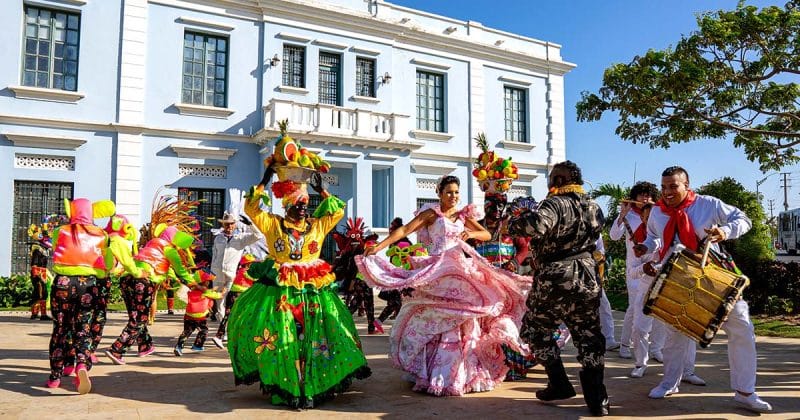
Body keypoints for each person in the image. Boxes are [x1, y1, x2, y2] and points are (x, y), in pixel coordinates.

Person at [357, 175, 532, 396]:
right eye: (449, 192)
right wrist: (379, 246)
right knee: (436, 315)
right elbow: (405, 231)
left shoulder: (462, 215)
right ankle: (431, 371)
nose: (453, 196)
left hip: (459, 270)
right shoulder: (432, 215)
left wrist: (471, 233)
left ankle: (459, 373)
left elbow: (486, 233)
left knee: (464, 319)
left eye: (456, 192)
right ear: (439, 193)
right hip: (437, 270)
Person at [226, 163, 370, 409]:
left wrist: (322, 190)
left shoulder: (317, 226)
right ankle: (287, 382)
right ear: (288, 205)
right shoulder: (273, 224)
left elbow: (337, 212)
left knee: (317, 335)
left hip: (313, 290)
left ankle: (313, 382)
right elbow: (251, 207)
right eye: (298, 204)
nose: (304, 208)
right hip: (279, 291)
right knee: (281, 335)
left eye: (305, 204)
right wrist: (265, 178)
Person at [633, 166, 771, 412]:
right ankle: (670, 382)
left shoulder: (708, 204)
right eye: (664, 187)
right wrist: (646, 247)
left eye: (673, 186)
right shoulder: (656, 213)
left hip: (713, 274)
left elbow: (743, 219)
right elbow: (655, 238)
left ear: (687, 185)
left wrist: (724, 231)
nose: (667, 192)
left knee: (741, 327)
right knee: (675, 333)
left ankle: (745, 391)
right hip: (675, 277)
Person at [508, 160, 609, 416]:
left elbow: (536, 226)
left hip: (556, 276)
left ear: (561, 180)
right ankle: (598, 401)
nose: (550, 182)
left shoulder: (555, 203)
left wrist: (516, 220)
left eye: (552, 178)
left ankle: (559, 383)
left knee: (535, 330)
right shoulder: (594, 206)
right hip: (587, 274)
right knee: (589, 336)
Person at [46, 198, 116, 394]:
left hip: (63, 283)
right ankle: (82, 365)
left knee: (60, 329)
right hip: (89, 286)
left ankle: (55, 377)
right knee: (83, 329)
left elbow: (54, 251)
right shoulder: (102, 234)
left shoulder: (61, 230)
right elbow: (107, 265)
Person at [105, 223, 197, 365]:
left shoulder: (150, 245)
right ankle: (117, 349)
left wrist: (178, 279)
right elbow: (181, 271)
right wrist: (194, 283)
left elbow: (169, 271)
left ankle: (145, 346)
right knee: (139, 319)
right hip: (143, 281)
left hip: (126, 279)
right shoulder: (169, 250)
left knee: (135, 316)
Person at [210, 212, 262, 322]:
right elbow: (214, 255)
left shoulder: (240, 239)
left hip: (230, 274)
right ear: (223, 225)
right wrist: (212, 272)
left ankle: (227, 327)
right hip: (217, 274)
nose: (229, 226)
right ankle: (222, 328)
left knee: (229, 302)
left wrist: (250, 224)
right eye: (226, 224)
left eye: (231, 224)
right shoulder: (218, 238)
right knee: (219, 302)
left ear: (235, 225)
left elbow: (258, 235)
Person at [211, 253, 257, 348]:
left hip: (234, 294)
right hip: (240, 295)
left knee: (228, 315)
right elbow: (254, 279)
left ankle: (219, 336)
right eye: (252, 263)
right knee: (243, 316)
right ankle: (227, 336)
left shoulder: (241, 270)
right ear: (248, 264)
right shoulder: (246, 271)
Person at [174, 276, 221, 356]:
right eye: (208, 281)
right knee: (204, 330)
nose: (209, 282)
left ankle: (178, 347)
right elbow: (218, 296)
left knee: (186, 332)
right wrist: (222, 292)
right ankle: (197, 345)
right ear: (205, 282)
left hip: (188, 316)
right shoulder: (206, 293)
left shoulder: (191, 292)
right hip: (200, 317)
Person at [375, 217, 410, 323]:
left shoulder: (404, 242)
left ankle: (380, 322)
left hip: (401, 275)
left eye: (392, 227)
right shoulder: (394, 242)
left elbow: (408, 257)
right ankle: (379, 322)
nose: (390, 229)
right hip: (395, 275)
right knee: (396, 302)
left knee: (397, 302)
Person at [27, 221, 53, 321]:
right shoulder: (37, 249)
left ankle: (36, 313)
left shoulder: (42, 249)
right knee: (41, 293)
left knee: (40, 293)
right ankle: (41, 314)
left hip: (42, 272)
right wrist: (36, 275)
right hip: (38, 273)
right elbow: (34, 263)